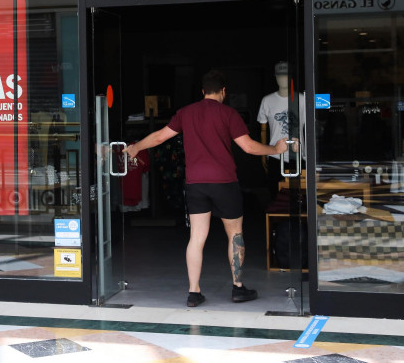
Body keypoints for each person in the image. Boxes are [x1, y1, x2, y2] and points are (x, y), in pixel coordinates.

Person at [124, 70, 288, 308]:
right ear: (223, 91)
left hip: (196, 185)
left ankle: (193, 293)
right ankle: (238, 288)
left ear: (202, 91)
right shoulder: (229, 114)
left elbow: (160, 137)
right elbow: (249, 148)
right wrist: (276, 150)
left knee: (196, 238)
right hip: (225, 184)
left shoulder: (186, 113)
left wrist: (135, 147)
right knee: (235, 235)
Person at [257, 61, 306, 203]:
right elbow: (263, 129)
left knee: (300, 196)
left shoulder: (302, 100)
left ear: (291, 77)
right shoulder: (268, 101)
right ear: (276, 77)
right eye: (280, 76)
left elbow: (309, 128)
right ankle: (278, 225)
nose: (283, 79)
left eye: (286, 76)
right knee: (276, 196)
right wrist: (263, 153)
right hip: (275, 155)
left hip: (298, 155)